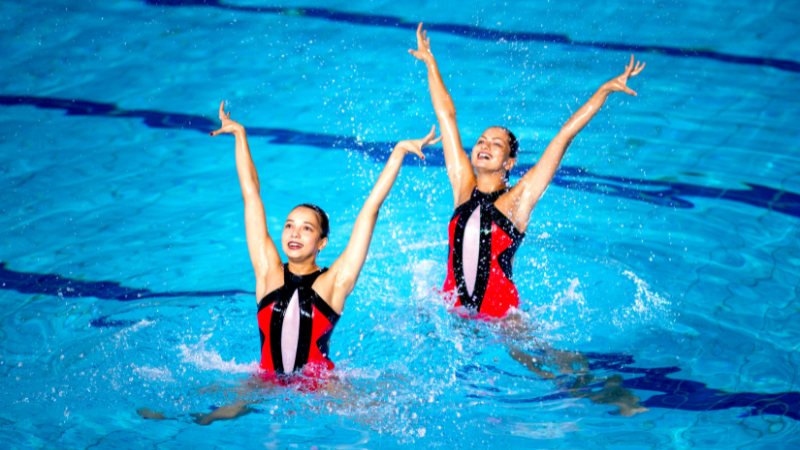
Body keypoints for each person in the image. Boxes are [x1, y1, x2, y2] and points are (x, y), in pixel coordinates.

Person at [409, 23, 645, 319]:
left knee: (543, 364)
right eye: (481, 141)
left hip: (502, 320)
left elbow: (563, 137)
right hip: (452, 313)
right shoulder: (462, 185)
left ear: (509, 162)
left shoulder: (518, 200)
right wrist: (431, 63)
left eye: (496, 144)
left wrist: (604, 91)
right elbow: (447, 116)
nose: (485, 145)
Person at [212, 101, 439, 376]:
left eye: (306, 228)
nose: (294, 233)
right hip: (264, 382)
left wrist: (399, 152)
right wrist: (240, 136)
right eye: (289, 226)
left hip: (320, 392)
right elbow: (251, 195)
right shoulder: (267, 271)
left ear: (322, 243)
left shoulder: (334, 283)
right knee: (204, 417)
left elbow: (370, 211)